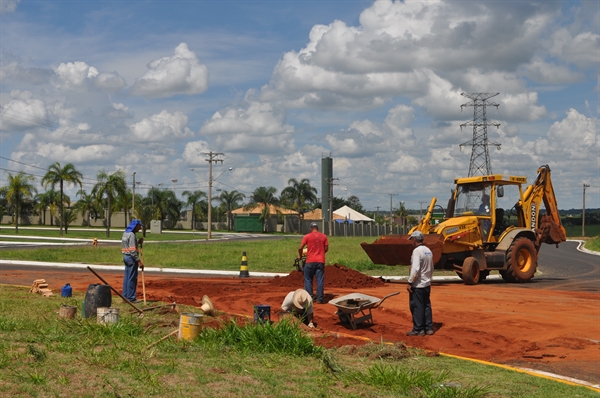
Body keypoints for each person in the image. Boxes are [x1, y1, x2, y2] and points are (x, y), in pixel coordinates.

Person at [406, 230, 434, 336]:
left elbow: (415, 268)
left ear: (414, 239)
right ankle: (429, 328)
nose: (411, 242)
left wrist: (410, 282)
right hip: (427, 284)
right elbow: (432, 267)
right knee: (427, 305)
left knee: (417, 306)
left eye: (411, 240)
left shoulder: (417, 251)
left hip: (418, 285)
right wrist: (428, 278)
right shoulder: (428, 250)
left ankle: (418, 329)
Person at [298, 222, 328, 304]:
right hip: (320, 261)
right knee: (320, 280)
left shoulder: (307, 236)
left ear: (310, 229)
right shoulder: (324, 236)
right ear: (317, 228)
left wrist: (300, 256)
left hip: (310, 261)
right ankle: (320, 299)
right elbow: (326, 249)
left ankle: (309, 298)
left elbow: (300, 247)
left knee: (308, 280)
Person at [121, 219, 144, 303]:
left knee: (127, 277)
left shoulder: (125, 233)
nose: (140, 228)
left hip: (126, 257)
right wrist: (139, 261)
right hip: (131, 258)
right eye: (139, 226)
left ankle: (125, 296)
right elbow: (132, 250)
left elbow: (129, 245)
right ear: (135, 226)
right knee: (132, 278)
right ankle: (131, 298)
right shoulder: (132, 235)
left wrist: (138, 242)